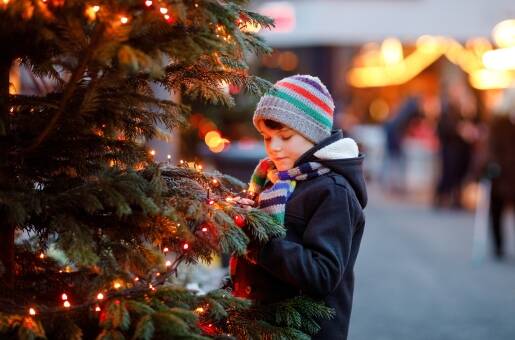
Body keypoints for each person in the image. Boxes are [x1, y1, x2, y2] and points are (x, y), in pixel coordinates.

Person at [230, 75, 367, 339]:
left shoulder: (333, 191)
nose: (274, 148)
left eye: (285, 136)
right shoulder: (275, 178)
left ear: (312, 134)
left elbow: (322, 275)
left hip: (305, 332)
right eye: (267, 138)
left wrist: (256, 239)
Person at [488, 86, 515, 258]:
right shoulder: (500, 123)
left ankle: (498, 246)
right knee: (497, 210)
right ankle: (498, 246)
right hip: (502, 173)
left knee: (497, 210)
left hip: (505, 172)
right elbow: (495, 149)